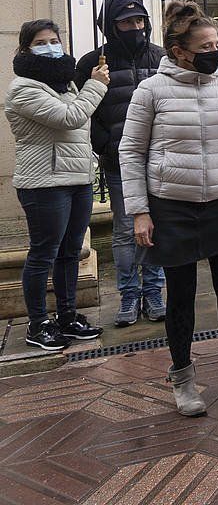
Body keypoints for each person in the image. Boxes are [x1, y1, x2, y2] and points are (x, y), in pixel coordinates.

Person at [120, 0, 218, 416]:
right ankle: (183, 379)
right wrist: (139, 210)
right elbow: (130, 151)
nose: (214, 51)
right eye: (205, 45)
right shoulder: (151, 90)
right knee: (181, 297)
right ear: (179, 50)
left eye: (216, 43)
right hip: (172, 205)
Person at [6, 20, 108, 351]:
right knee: (43, 254)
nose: (51, 46)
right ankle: (38, 324)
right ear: (25, 48)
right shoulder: (24, 89)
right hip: (44, 183)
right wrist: (96, 86)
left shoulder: (64, 84)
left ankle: (67, 316)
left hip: (77, 178)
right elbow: (70, 119)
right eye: (41, 42)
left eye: (54, 40)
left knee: (69, 252)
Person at [74, 0, 167, 327]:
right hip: (118, 163)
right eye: (127, 22)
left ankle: (155, 291)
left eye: (140, 20)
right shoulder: (92, 63)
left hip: (158, 160)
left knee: (155, 226)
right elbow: (84, 112)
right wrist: (107, 143)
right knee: (126, 230)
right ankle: (129, 296)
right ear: (111, 26)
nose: (136, 27)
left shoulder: (161, 57)